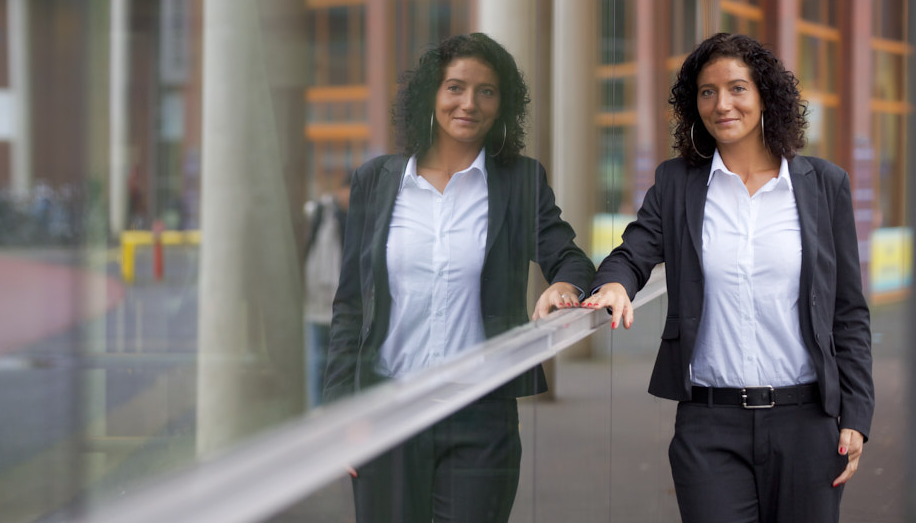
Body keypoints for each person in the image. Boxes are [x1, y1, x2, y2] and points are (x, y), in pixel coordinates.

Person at [581, 32, 874, 522]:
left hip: (807, 423)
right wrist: (612, 284)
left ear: (765, 96)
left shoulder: (824, 185)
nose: (722, 104)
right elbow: (632, 253)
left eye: (737, 88)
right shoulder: (677, 183)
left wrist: (857, 417)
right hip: (709, 425)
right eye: (707, 91)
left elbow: (848, 312)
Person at [323, 32, 595, 523]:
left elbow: (571, 259)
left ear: (501, 104)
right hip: (387, 414)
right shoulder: (376, 182)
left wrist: (563, 286)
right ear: (431, 94)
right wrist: (342, 414)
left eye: (486, 91)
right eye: (455, 87)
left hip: (480, 414)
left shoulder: (519, 181)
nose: (469, 103)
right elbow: (350, 308)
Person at [303, 175, 350, 407]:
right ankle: (316, 410)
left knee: (336, 362)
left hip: (342, 306)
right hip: (318, 302)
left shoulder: (354, 217)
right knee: (317, 361)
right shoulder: (323, 214)